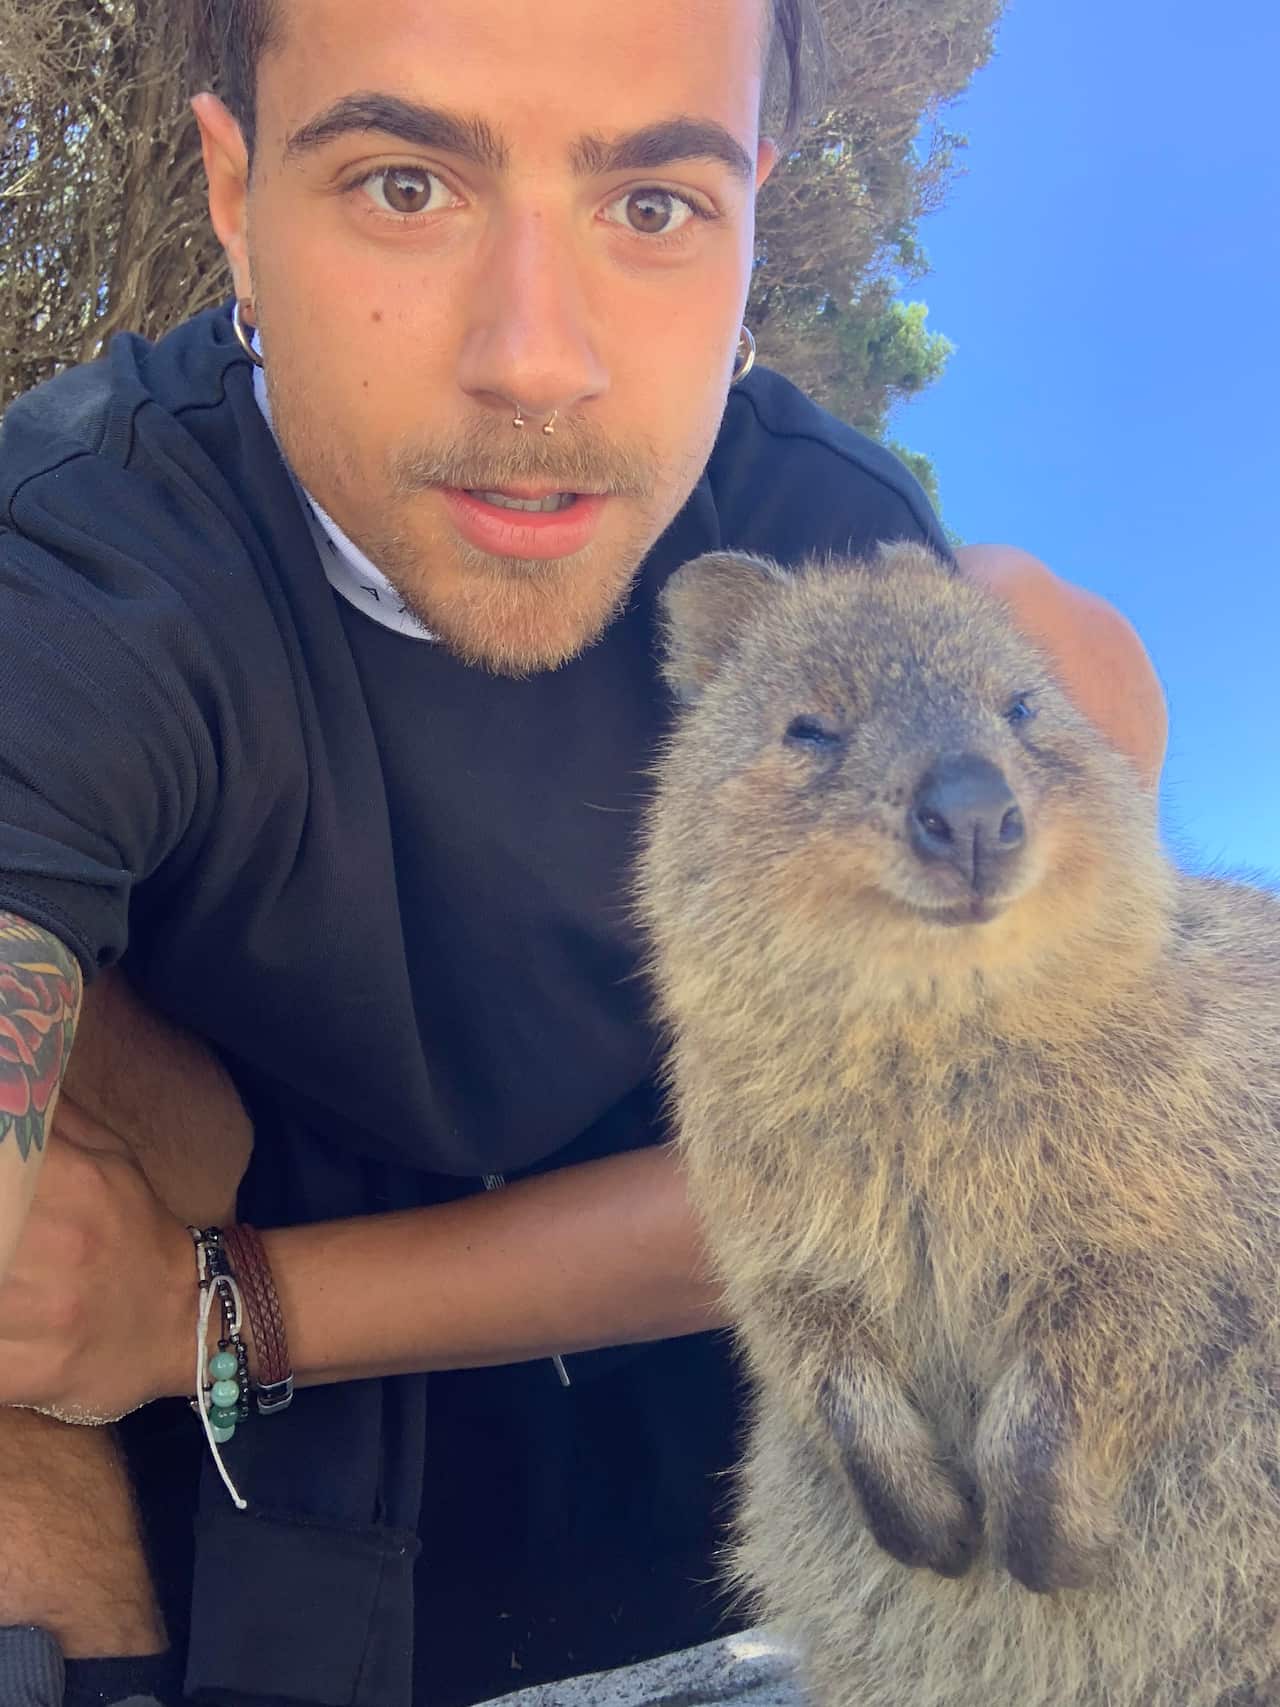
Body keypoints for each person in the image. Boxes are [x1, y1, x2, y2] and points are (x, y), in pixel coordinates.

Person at [0, 2, 1168, 1704]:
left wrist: (225, 1312)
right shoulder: (93, 558)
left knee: (1059, 665)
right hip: (217, 1209)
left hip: (663, 1289)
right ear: (237, 195)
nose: (538, 361)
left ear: (756, 214)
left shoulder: (821, 563)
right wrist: (148, 1304)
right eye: (406, 184)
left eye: (653, 207)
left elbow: (886, 1183)